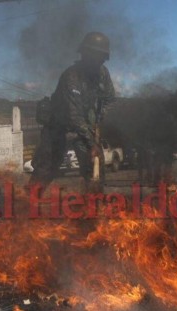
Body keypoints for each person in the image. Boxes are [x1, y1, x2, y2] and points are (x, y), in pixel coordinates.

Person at [29, 32, 116, 192]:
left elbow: (110, 98)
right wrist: (92, 144)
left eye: (103, 57)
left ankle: (93, 208)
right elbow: (73, 114)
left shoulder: (103, 73)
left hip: (83, 128)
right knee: (45, 171)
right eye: (97, 56)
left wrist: (101, 114)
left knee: (95, 166)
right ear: (86, 54)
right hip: (58, 128)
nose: (100, 61)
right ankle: (25, 206)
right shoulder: (71, 76)